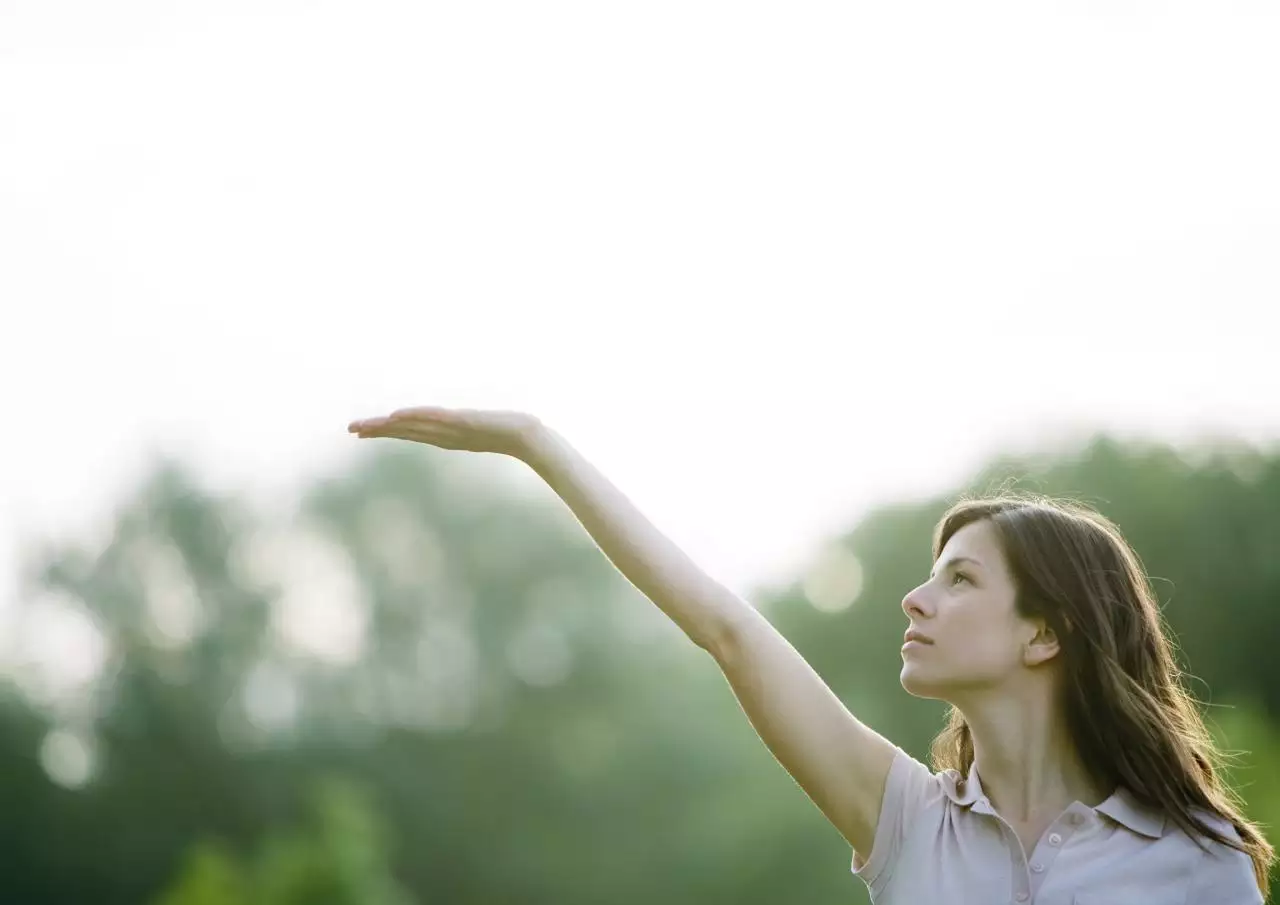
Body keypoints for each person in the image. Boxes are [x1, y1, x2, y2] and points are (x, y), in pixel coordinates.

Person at [347, 406, 1274, 903]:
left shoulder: (1197, 860)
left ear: (1045, 631)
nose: (915, 599)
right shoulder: (906, 820)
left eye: (959, 580)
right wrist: (538, 444)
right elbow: (725, 626)